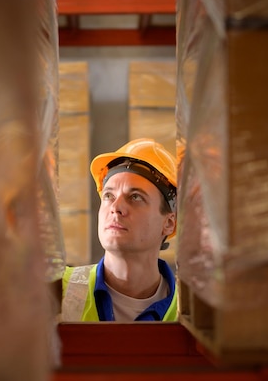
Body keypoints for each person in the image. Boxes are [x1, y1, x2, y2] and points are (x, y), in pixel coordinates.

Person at [61, 138, 180, 322]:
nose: (116, 208)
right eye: (109, 195)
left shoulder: (190, 310)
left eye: (135, 197)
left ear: (169, 223)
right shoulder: (57, 290)